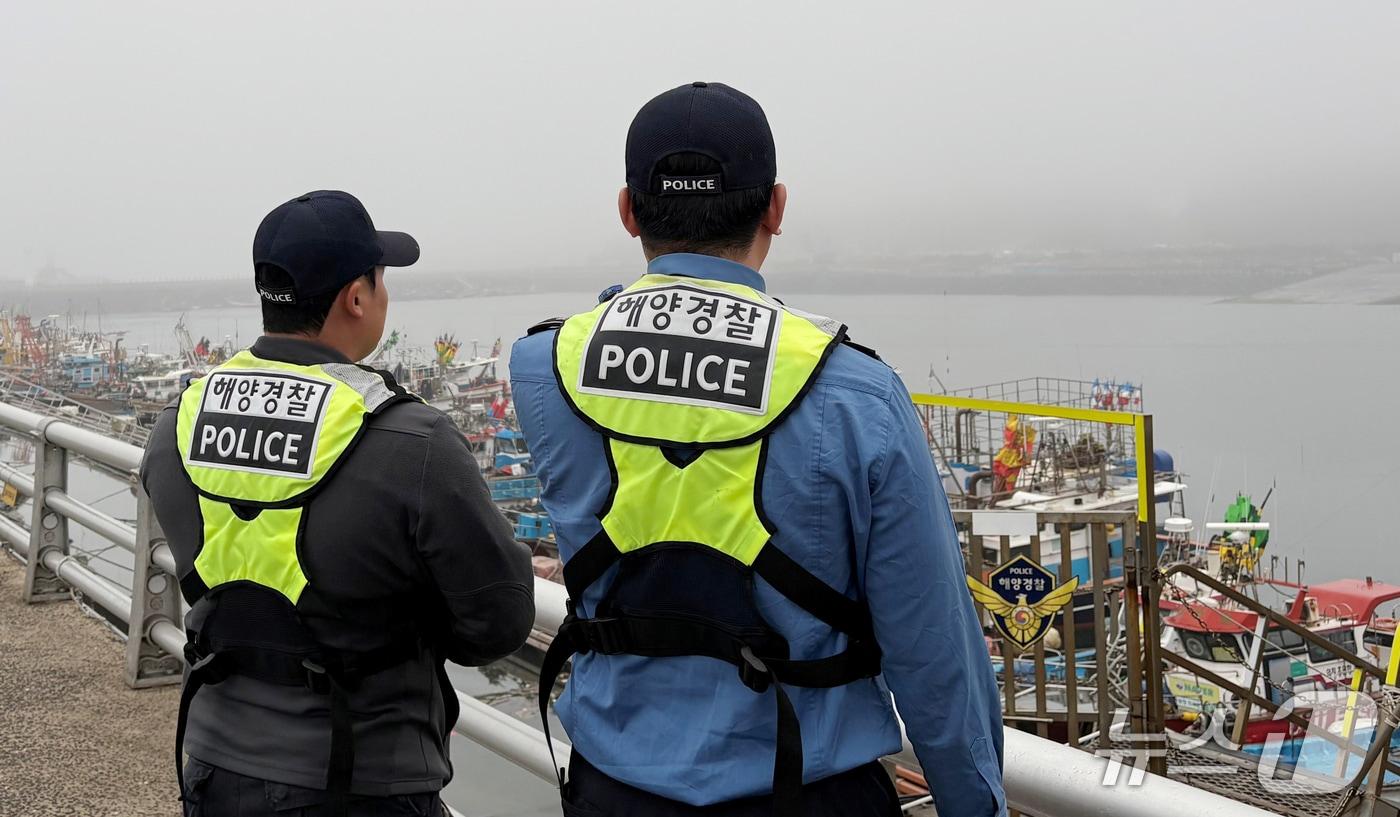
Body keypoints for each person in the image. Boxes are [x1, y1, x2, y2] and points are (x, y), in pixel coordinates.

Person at [510, 84, 1006, 816]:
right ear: (776, 207)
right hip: (812, 794)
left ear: (627, 210)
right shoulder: (856, 391)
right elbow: (935, 659)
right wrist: (975, 804)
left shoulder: (543, 366)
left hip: (613, 792)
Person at [141, 190, 535, 817]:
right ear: (357, 297)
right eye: (381, 280)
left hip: (214, 767)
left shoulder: (178, 422)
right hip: (364, 781)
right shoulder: (414, 439)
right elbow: (499, 623)